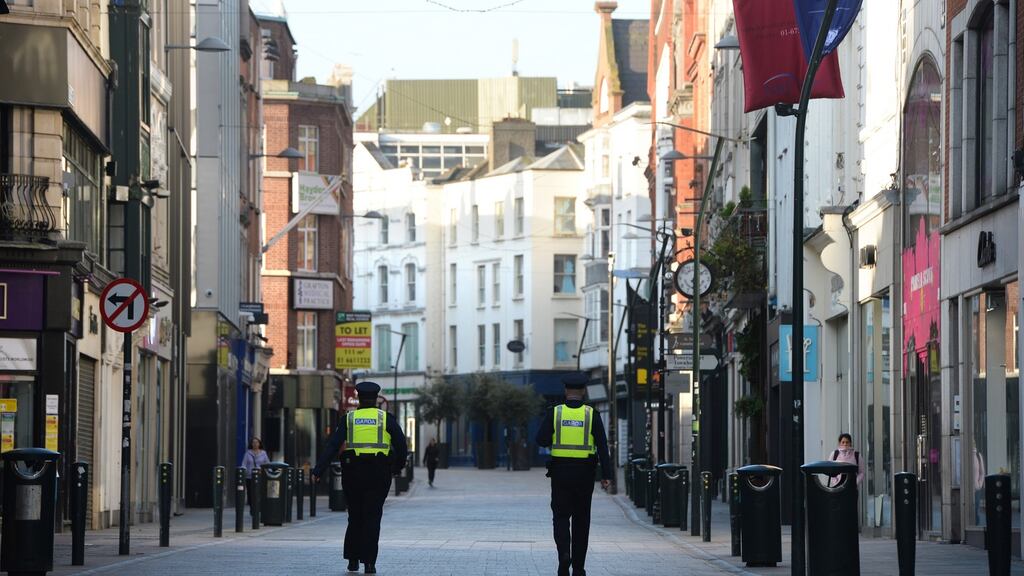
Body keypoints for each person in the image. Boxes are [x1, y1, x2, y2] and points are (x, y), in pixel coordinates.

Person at [312, 382, 407, 575]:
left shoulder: (349, 418)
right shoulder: (385, 418)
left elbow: (332, 445)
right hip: (379, 474)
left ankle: (353, 560)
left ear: (359, 398)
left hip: (353, 473)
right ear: (376, 400)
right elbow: (401, 445)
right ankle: (369, 563)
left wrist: (318, 470)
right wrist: (397, 467)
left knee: (355, 516)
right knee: (373, 517)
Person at [535, 372, 612, 576]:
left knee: (560, 517)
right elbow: (603, 447)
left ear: (566, 391)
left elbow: (540, 440)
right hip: (585, 475)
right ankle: (578, 568)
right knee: (581, 521)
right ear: (584, 390)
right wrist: (607, 475)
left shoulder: (555, 413)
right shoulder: (591, 414)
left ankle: (563, 554)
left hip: (560, 474)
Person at [241, 437, 270, 511]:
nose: (255, 444)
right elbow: (244, 464)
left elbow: (267, 464)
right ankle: (252, 508)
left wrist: (266, 472)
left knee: (259, 493)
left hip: (260, 476)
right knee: (251, 494)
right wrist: (244, 471)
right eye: (253, 442)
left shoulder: (263, 453)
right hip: (250, 477)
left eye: (257, 442)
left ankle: (258, 507)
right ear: (251, 444)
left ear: (259, 444)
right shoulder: (248, 453)